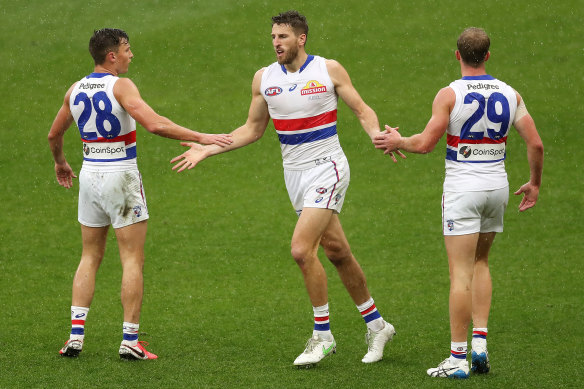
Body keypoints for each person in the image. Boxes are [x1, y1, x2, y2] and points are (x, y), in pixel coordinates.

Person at [171, 11, 403, 367]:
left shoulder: (328, 69)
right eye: (273, 37)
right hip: (294, 176)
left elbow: (360, 108)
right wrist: (208, 148)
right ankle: (377, 325)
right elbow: (252, 129)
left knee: (300, 250)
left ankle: (322, 336)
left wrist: (376, 135)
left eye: (282, 36)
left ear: (301, 38)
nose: (276, 42)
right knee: (337, 251)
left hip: (329, 168)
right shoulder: (264, 78)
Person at [48, 28, 232, 360]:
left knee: (89, 256)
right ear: (111, 56)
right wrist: (202, 136)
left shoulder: (74, 89)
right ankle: (130, 340)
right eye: (127, 50)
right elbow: (154, 124)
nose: (132, 55)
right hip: (121, 174)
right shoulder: (121, 85)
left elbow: (53, 134)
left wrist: (61, 162)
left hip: (89, 174)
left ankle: (75, 336)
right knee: (132, 258)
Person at [374, 27, 544, 378]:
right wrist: (534, 183)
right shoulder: (511, 94)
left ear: (457, 55)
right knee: (481, 262)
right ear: (488, 55)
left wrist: (397, 140)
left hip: (463, 189)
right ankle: (480, 344)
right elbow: (536, 144)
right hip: (497, 187)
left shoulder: (449, 94)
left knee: (460, 274)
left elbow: (425, 144)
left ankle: (457, 358)